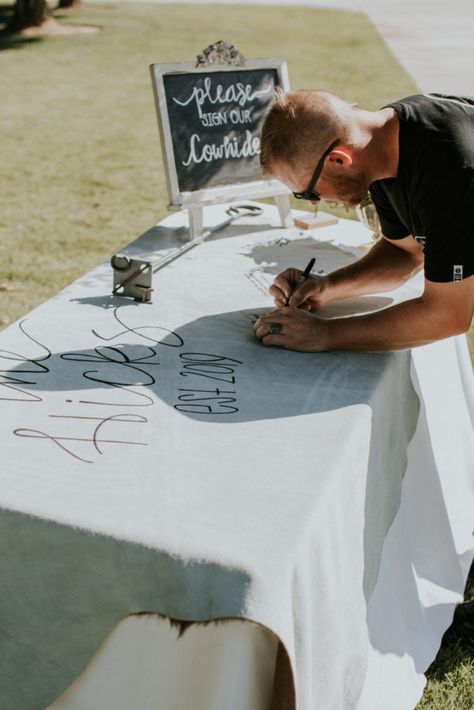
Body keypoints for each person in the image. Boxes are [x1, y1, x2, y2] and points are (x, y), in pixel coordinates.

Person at [253, 90, 474, 351]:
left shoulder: (448, 171)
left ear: (338, 159)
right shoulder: (382, 146)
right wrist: (327, 287)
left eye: (308, 192)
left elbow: (448, 314)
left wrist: (324, 334)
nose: (312, 202)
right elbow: (404, 253)